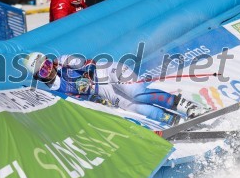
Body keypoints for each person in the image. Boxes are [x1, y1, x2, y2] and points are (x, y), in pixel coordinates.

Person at [23, 52, 209, 124]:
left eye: (47, 64)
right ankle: (175, 121)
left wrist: (85, 69)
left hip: (108, 72)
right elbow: (80, 100)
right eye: (43, 71)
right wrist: (95, 100)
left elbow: (88, 62)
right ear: (38, 77)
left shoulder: (63, 61)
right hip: (104, 92)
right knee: (135, 107)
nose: (48, 71)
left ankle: (189, 107)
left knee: (138, 94)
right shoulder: (55, 91)